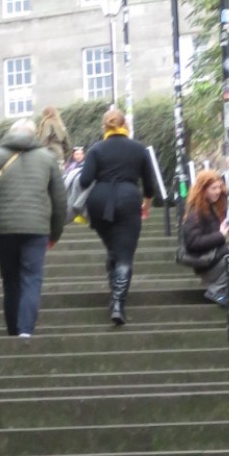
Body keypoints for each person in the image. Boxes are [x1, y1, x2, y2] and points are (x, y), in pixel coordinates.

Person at [0, 118, 67, 337]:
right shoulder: (48, 158)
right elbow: (60, 200)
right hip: (37, 229)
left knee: (10, 280)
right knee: (31, 278)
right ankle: (25, 330)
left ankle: (12, 331)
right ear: (34, 135)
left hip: (4, 228)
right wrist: (55, 233)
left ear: (11, 133)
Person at [79, 108, 158, 326]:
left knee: (113, 248)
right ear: (126, 125)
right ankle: (117, 304)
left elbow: (84, 181)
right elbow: (149, 185)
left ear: (104, 126)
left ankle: (115, 291)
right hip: (128, 199)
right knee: (124, 254)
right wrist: (146, 205)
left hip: (99, 202)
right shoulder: (139, 149)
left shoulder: (96, 150)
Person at [179, 170, 229, 306]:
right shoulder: (194, 213)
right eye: (213, 188)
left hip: (215, 260)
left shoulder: (213, 208)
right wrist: (220, 235)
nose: (218, 191)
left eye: (219, 187)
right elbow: (192, 242)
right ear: (203, 190)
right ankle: (216, 289)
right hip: (208, 266)